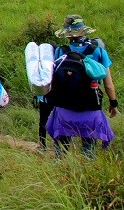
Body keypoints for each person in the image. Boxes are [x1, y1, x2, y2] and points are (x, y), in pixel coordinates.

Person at [45, 15, 118, 157]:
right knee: (88, 153)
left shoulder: (60, 51)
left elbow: (52, 80)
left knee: (61, 153)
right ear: (83, 31)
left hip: (63, 110)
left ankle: (61, 175)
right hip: (90, 110)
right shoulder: (98, 51)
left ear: (67, 33)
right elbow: (108, 85)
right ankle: (85, 176)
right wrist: (113, 103)